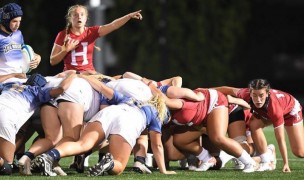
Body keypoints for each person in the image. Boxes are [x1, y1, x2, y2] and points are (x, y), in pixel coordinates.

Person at [35, 74, 175, 176]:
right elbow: (157, 145)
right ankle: (110, 163)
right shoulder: (156, 114)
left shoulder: (130, 98)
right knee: (119, 165)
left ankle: (50, 156)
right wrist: (163, 170)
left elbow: (101, 87)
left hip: (110, 112)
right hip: (128, 122)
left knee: (82, 144)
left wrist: (83, 75)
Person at [141, 78, 257, 173]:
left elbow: (169, 97)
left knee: (217, 138)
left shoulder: (173, 101)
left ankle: (250, 162)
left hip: (213, 103)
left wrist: (150, 85)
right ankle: (207, 159)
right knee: (180, 140)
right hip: (201, 118)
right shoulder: (160, 114)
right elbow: (164, 145)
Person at [18, 70, 100, 176]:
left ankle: (27, 157)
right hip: (72, 91)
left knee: (51, 138)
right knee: (72, 138)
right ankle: (48, 157)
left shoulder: (71, 76)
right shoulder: (103, 90)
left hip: (51, 89)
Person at [214, 79, 304, 173]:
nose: (258, 99)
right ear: (250, 93)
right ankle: (266, 161)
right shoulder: (245, 93)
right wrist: (206, 91)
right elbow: (228, 89)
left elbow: (280, 139)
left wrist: (286, 164)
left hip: (290, 112)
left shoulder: (274, 107)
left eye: (261, 95)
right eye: (254, 95)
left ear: (267, 93)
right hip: (267, 112)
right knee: (253, 124)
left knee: (300, 152)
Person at [0, 72, 76, 175]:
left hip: (4, 110)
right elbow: (61, 89)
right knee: (6, 168)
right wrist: (73, 75)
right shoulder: (37, 91)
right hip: (6, 118)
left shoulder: (9, 85)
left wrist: (11, 75)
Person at [49, 4, 142, 74]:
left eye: (82, 14)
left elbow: (113, 25)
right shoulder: (62, 35)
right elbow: (52, 61)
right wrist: (65, 50)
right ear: (70, 18)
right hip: (71, 75)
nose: (79, 17)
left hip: (90, 74)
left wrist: (129, 16)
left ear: (86, 18)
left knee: (119, 79)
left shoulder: (92, 32)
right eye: (75, 15)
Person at [0, 3, 41, 79]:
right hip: (6, 84)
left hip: (20, 79)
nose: (18, 25)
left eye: (20, 21)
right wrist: (14, 75)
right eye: (14, 21)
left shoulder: (18, 34)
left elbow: (21, 50)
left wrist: (37, 57)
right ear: (5, 20)